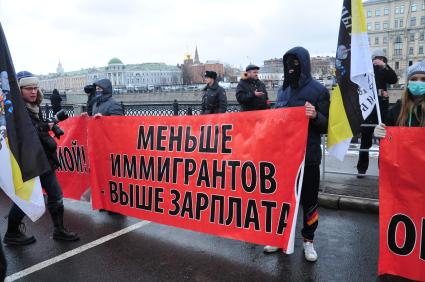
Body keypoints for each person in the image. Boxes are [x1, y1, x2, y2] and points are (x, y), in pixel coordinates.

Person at [263, 47, 330, 262]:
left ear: (304, 63)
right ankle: (279, 236)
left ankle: (308, 241)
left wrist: (315, 115)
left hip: (308, 157)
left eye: (295, 63)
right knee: (281, 199)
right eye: (288, 63)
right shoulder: (283, 91)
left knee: (309, 201)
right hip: (285, 157)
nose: (291, 68)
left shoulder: (319, 91)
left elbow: (327, 125)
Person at [3, 71, 79, 245]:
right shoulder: (16, 111)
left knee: (53, 195)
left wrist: (47, 126)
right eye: (29, 88)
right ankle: (13, 232)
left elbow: (36, 128)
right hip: (31, 160)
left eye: (36, 88)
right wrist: (48, 126)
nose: (33, 92)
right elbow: (28, 133)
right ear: (19, 90)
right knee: (30, 196)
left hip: (42, 158)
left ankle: (57, 230)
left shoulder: (31, 108)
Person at [357, 49, 398, 177]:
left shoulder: (383, 70)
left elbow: (393, 79)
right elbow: (362, 90)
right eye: (378, 59)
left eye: (382, 59)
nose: (379, 61)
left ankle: (384, 170)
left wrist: (384, 66)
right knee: (365, 142)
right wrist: (379, 92)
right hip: (369, 111)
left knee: (384, 143)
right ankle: (361, 169)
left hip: (382, 110)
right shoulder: (367, 71)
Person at [374, 61, 425, 138]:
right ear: (408, 83)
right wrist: (381, 133)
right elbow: (390, 139)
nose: (418, 82)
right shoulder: (396, 109)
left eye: (423, 79)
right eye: (414, 79)